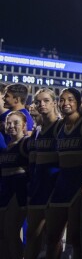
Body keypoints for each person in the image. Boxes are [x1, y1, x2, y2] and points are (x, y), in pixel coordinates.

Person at [45, 88, 82, 259]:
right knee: (51, 236)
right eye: (62, 100)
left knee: (75, 237)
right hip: (61, 184)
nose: (66, 103)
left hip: (79, 184)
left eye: (70, 99)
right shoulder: (59, 127)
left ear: (78, 102)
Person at [24, 88, 61, 259]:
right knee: (32, 234)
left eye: (46, 100)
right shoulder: (37, 130)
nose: (41, 104)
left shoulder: (61, 126)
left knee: (53, 237)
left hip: (54, 186)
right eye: (38, 101)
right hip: (38, 186)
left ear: (54, 103)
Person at [0, 111, 30, 259]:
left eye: (16, 123)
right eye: (8, 123)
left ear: (24, 125)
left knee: (11, 231)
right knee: (2, 234)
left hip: (18, 193)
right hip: (4, 191)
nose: (11, 126)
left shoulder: (26, 143)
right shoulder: (6, 147)